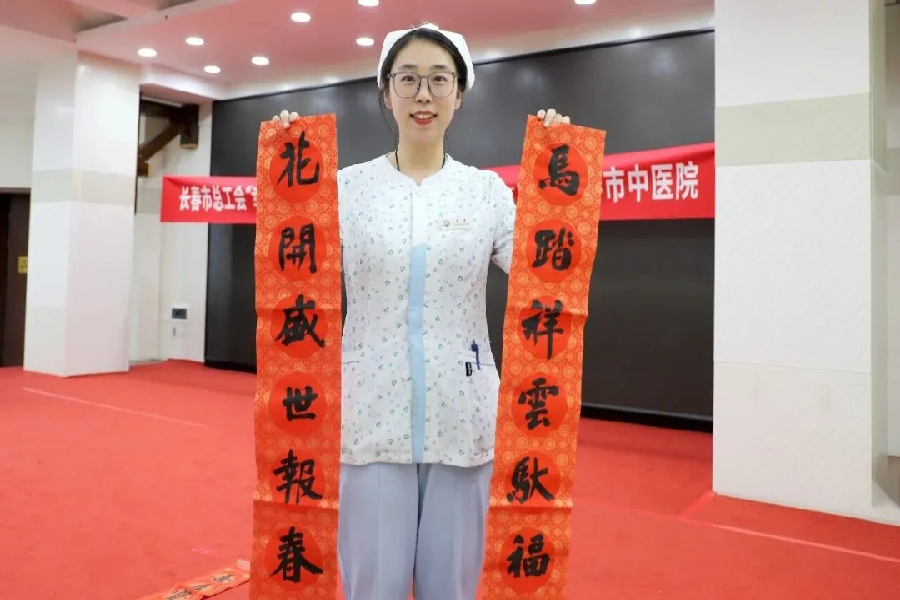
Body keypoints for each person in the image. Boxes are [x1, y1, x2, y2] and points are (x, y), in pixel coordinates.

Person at [272, 22, 571, 600]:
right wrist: (286, 164)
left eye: (440, 79)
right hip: (370, 416)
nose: (424, 94)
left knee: (450, 588)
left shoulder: (485, 193)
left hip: (463, 415)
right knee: (373, 586)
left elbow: (547, 272)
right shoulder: (344, 190)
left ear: (460, 94)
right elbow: (288, 263)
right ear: (386, 93)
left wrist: (555, 181)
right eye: (408, 79)